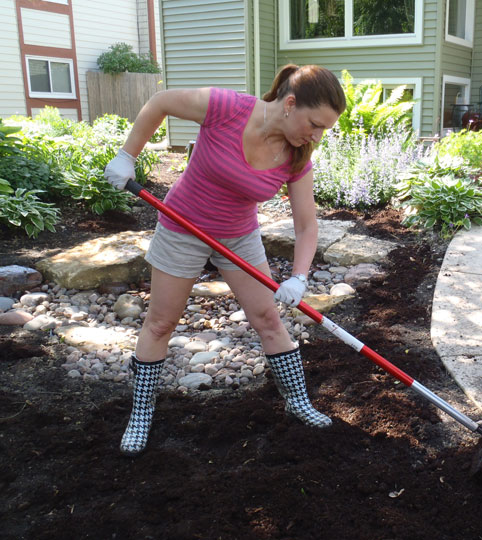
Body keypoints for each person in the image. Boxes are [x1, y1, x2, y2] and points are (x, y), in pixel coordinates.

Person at [103, 64, 346, 456]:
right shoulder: (226, 108)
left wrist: (299, 277)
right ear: (289, 104)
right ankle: (141, 414)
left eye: (324, 130)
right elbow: (161, 102)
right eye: (315, 124)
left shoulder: (298, 156)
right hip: (183, 227)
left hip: (238, 237)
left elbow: (306, 226)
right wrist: (126, 156)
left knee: (268, 318)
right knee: (161, 322)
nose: (316, 136)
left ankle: (298, 401)